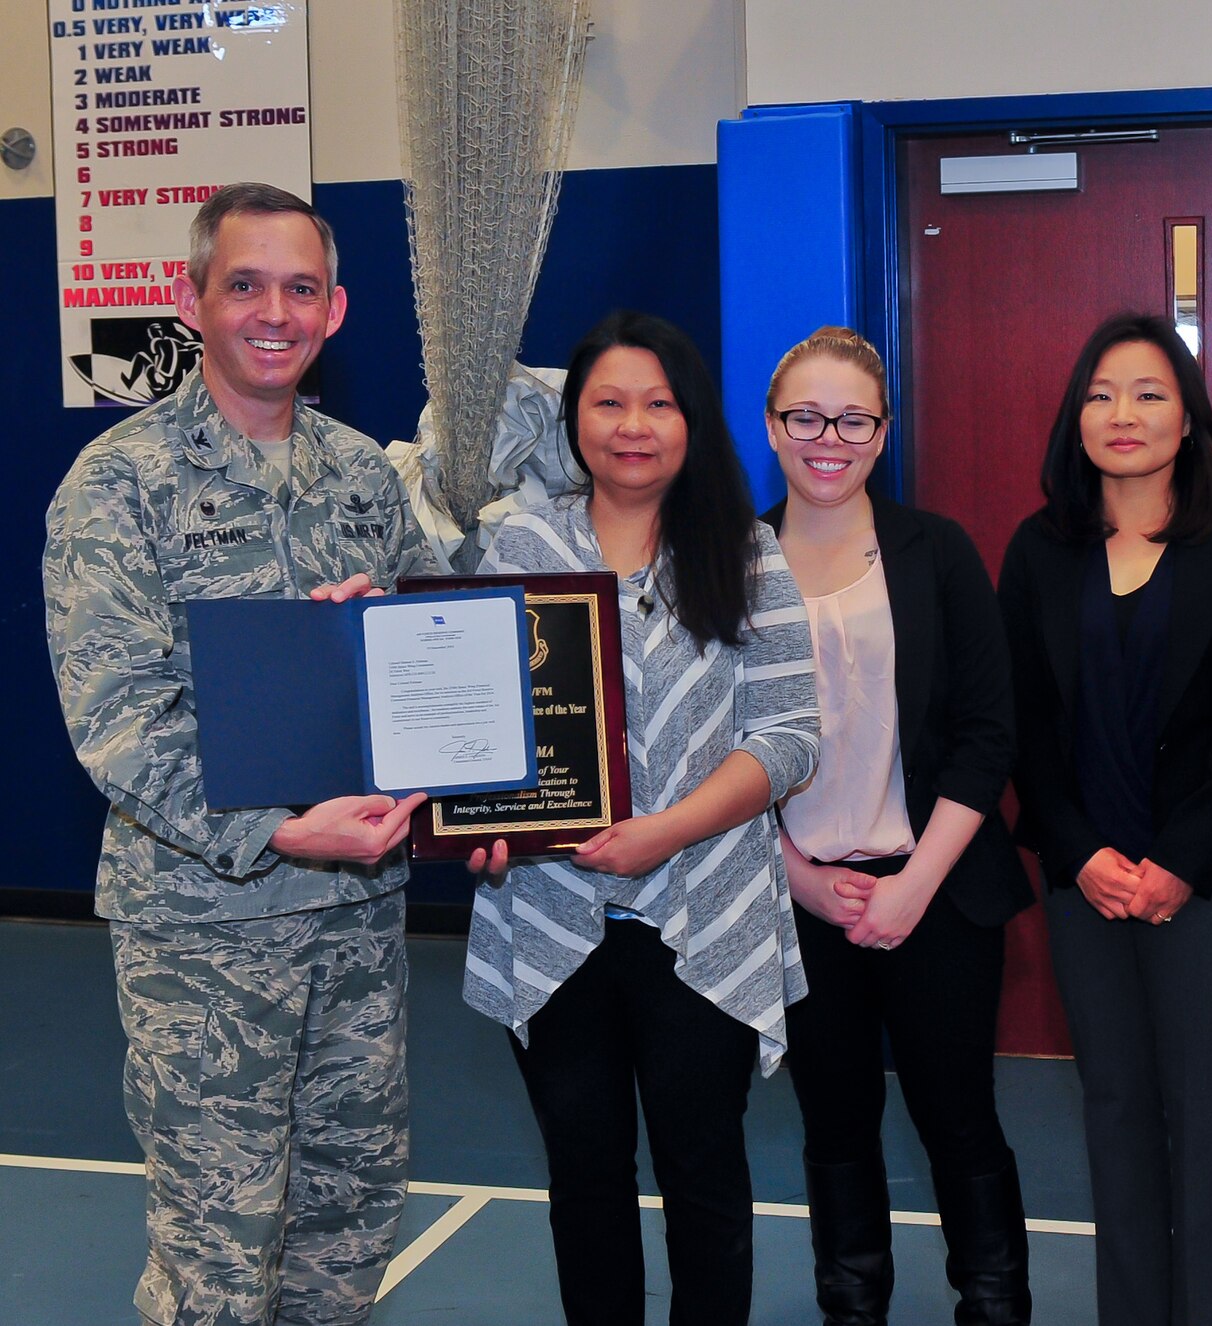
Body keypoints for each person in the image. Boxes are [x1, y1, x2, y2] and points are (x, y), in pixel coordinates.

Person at [43, 182, 434, 1326]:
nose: (276, 311)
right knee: (220, 1244)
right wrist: (271, 831)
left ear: (337, 308)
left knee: (348, 1219)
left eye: (300, 287)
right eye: (246, 284)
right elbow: (116, 716)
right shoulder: (118, 486)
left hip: (358, 918)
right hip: (202, 935)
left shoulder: (365, 476)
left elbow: (427, 666)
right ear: (192, 300)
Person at [459, 310, 818, 1326]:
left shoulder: (743, 549)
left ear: (692, 420)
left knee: (705, 1179)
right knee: (584, 1178)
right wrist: (476, 819)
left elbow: (790, 734)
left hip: (701, 916)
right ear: (573, 418)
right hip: (549, 918)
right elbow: (474, 732)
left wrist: (667, 830)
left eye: (657, 403)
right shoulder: (520, 544)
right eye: (608, 402)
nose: (632, 425)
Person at [997, 311, 1212, 1326]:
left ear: (1188, 417)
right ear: (1075, 417)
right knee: (1113, 1108)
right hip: (1083, 882)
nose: (1122, 413)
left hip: (1204, 881)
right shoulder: (1037, 549)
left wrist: (1174, 863)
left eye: (1148, 393)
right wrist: (1078, 855)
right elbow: (1023, 724)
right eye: (1100, 393)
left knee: (1203, 1112)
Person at [759, 326, 1035, 1324]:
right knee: (833, 1130)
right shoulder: (733, 565)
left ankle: (995, 1307)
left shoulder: (938, 553)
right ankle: (852, 1309)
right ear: (771, 425)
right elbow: (707, 750)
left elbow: (985, 733)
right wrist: (796, 876)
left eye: (852, 418)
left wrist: (913, 884)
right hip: (799, 903)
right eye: (805, 416)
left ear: (881, 433)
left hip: (940, 897)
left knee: (959, 1123)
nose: (826, 437)